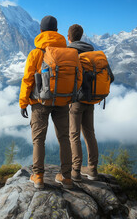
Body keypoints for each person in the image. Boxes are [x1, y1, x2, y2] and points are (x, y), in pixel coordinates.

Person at [19, 15, 73, 189]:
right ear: (57, 32)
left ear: (40, 31)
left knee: (38, 140)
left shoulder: (36, 53)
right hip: (63, 101)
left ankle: (38, 176)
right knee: (65, 138)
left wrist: (23, 102)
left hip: (40, 102)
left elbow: (27, 79)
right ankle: (67, 177)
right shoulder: (69, 53)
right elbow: (77, 78)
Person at [67, 24, 114, 181]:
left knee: (74, 134)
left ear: (69, 37)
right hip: (92, 99)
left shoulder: (70, 53)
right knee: (89, 133)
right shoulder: (94, 53)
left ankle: (75, 171)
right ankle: (92, 169)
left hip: (76, 101)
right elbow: (111, 77)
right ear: (82, 36)